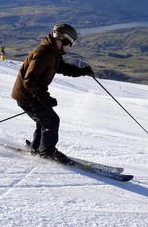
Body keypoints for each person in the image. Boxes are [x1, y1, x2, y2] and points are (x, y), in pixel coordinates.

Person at [11, 23, 94, 163]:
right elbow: (29, 81)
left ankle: (37, 147)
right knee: (51, 121)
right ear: (63, 40)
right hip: (28, 96)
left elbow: (61, 67)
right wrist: (45, 99)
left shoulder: (53, 52)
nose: (70, 47)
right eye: (70, 43)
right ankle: (47, 152)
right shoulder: (43, 54)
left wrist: (80, 71)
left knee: (44, 120)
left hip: (32, 95)